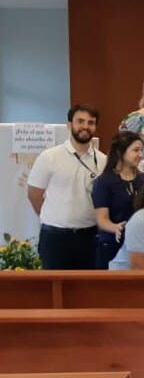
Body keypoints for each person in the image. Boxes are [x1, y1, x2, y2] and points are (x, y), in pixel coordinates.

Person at [27, 104, 108, 270]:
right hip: (55, 236)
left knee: (87, 290)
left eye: (90, 122)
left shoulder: (103, 161)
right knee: (54, 289)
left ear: (95, 127)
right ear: (69, 125)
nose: (85, 126)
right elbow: (34, 193)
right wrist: (52, 217)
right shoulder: (49, 157)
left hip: (89, 236)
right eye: (80, 121)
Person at [92, 131, 144, 268]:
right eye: (136, 150)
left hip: (141, 244)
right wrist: (116, 227)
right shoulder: (104, 182)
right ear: (120, 152)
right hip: (113, 244)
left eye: (142, 150)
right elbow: (101, 219)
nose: (140, 155)